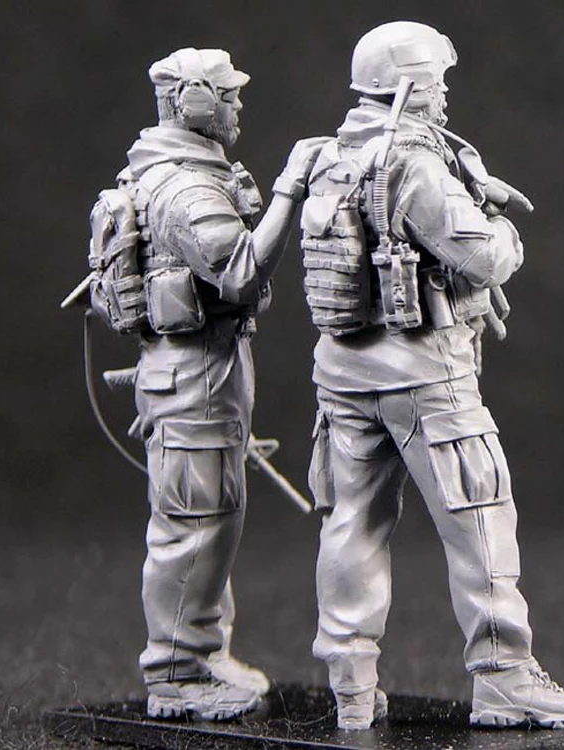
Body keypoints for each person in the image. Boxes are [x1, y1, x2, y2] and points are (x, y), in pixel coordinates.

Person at [299, 22, 564, 730]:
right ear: (409, 86)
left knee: (352, 525)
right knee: (480, 520)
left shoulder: (332, 156)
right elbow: (483, 258)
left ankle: (350, 687)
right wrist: (504, 230)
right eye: (436, 81)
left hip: (343, 375)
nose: (444, 94)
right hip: (426, 376)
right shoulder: (412, 163)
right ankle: (503, 677)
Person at [111, 47, 324, 721]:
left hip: (208, 369)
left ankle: (201, 650)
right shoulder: (186, 191)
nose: (237, 106)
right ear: (193, 102)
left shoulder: (189, 176)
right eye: (227, 96)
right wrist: (290, 190)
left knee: (214, 520)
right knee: (193, 526)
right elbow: (238, 273)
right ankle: (175, 671)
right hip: (193, 377)